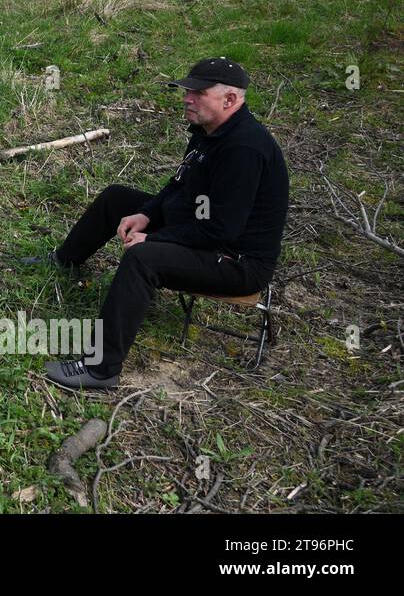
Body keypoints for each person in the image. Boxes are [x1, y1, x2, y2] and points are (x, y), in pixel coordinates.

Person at [25, 58, 289, 390]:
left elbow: (221, 230)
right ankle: (65, 260)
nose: (187, 98)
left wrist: (154, 240)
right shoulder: (209, 132)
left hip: (236, 260)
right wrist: (147, 214)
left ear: (230, 100)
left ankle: (100, 368)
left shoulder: (244, 149)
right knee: (118, 198)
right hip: (204, 227)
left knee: (143, 259)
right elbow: (180, 185)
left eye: (197, 92)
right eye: (186, 91)